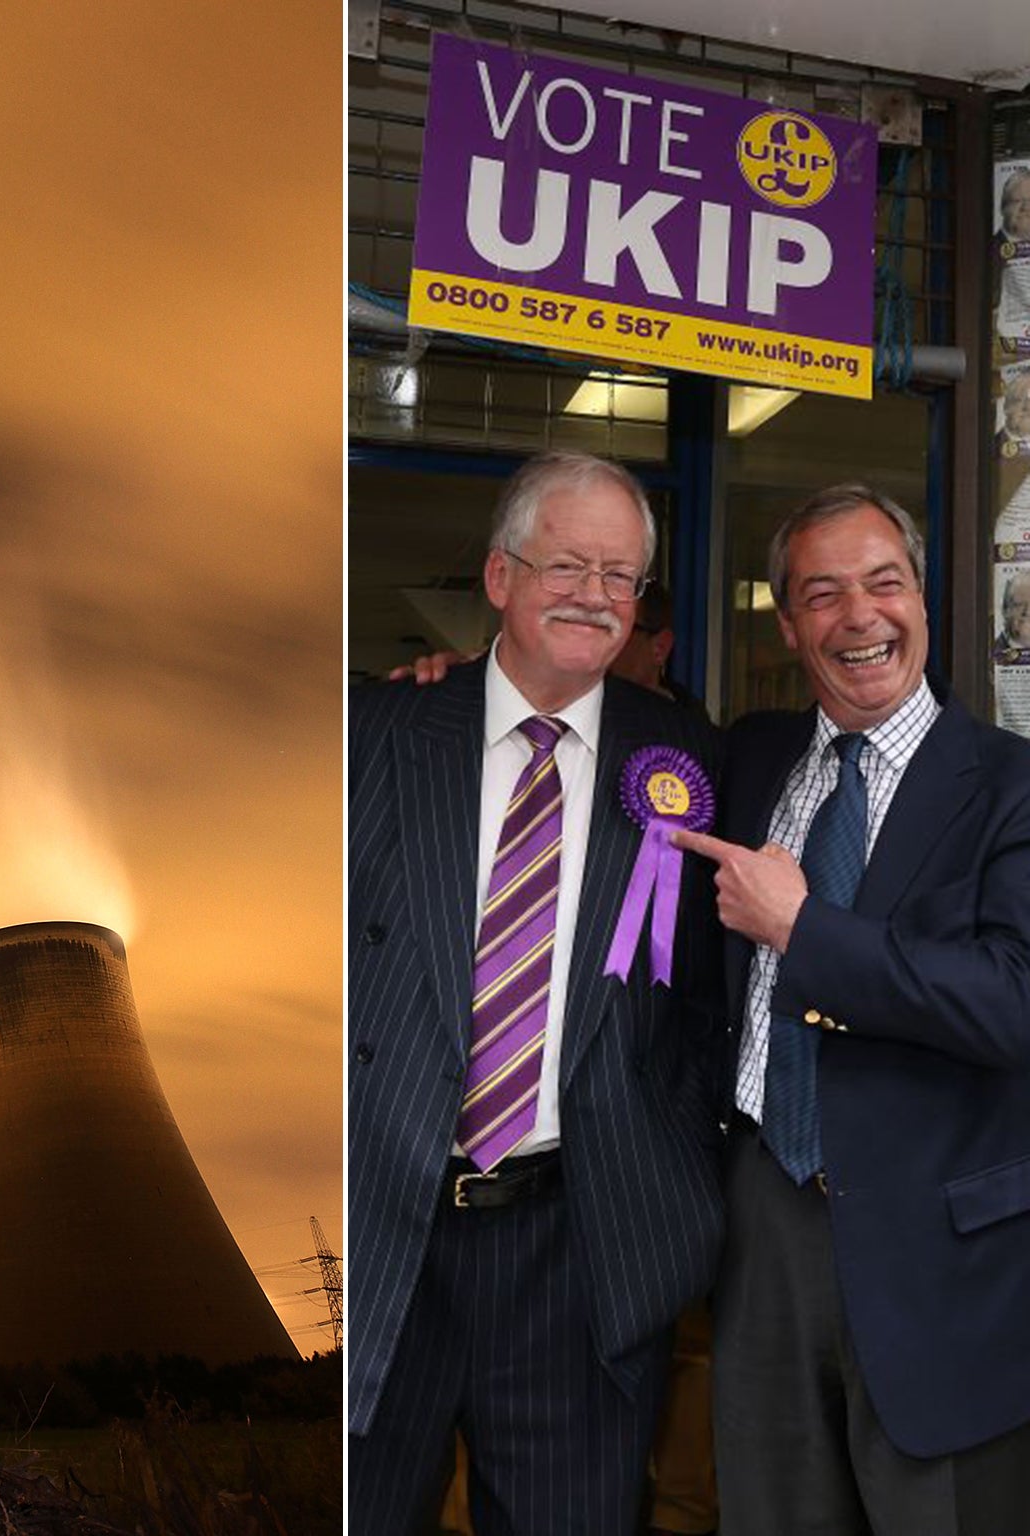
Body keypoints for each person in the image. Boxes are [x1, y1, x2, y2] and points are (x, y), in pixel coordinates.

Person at [350, 450, 726, 1535]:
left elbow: (704, 1002)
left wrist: (667, 1171)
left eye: (619, 577)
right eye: (565, 565)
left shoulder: (683, 758)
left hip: (578, 1252)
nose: (593, 596)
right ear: (498, 578)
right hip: (388, 1236)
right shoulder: (372, 738)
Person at [673, 484, 1030, 1534]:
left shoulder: (1009, 785)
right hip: (763, 1225)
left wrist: (802, 932)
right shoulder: (745, 758)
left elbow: (1013, 1001)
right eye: (821, 594)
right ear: (786, 625)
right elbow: (608, 740)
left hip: (942, 1263)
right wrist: (454, 686)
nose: (857, 616)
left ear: (921, 597)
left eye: (882, 583)